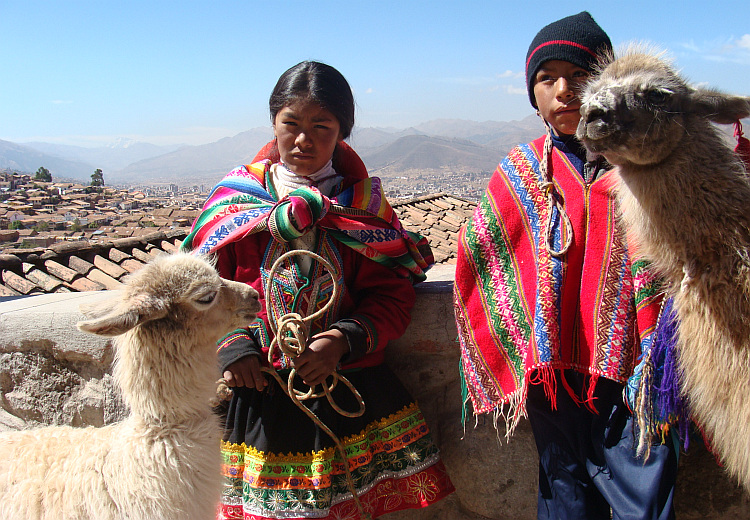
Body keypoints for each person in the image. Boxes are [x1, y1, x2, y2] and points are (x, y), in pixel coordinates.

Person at [184, 61, 454, 520]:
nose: (303, 139)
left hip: (343, 392)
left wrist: (343, 338)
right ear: (274, 124)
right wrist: (233, 346)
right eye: (291, 124)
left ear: (342, 133)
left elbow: (393, 295)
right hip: (261, 398)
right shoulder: (235, 206)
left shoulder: (364, 209)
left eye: (320, 127)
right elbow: (201, 289)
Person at [454, 12, 679, 520]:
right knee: (564, 497)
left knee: (644, 498)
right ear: (532, 94)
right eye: (547, 78)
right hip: (553, 380)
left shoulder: (647, 166)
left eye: (580, 76)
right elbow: (483, 260)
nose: (564, 90)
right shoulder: (520, 172)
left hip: (635, 376)